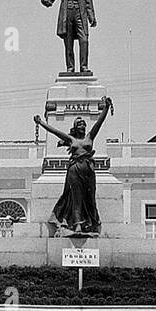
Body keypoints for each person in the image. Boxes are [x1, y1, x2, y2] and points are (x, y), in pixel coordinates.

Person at [34, 96, 113, 235]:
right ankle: (77, 225)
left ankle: (90, 223)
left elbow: (99, 123)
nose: (82, 126)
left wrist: (106, 107)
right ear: (75, 128)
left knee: (89, 198)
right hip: (75, 170)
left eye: (83, 124)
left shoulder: (90, 137)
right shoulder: (71, 139)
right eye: (79, 124)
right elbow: (54, 131)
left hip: (88, 170)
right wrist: (41, 122)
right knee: (76, 198)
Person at [41, 0, 98, 74]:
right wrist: (48, 1)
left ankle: (84, 66)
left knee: (84, 40)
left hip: (80, 14)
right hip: (67, 14)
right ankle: (70, 67)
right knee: (68, 41)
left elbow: (88, 2)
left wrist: (92, 17)